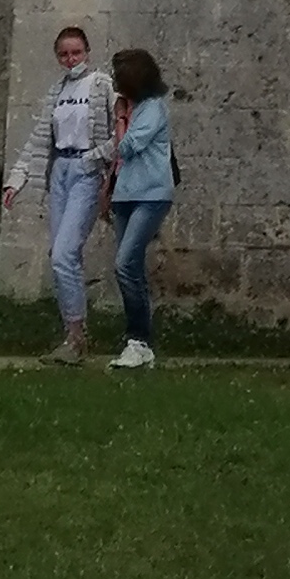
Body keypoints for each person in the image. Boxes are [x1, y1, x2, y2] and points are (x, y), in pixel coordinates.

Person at [3, 20, 114, 365]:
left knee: (64, 255)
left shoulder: (102, 85)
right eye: (64, 54)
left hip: (86, 172)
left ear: (87, 52)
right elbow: (39, 138)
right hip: (60, 172)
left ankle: (76, 339)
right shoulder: (57, 91)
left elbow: (120, 133)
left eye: (76, 52)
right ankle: (74, 334)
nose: (71, 60)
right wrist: (17, 178)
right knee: (62, 256)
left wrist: (94, 160)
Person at [104, 46, 175, 374]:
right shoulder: (133, 108)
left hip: (151, 194)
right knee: (131, 268)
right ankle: (140, 343)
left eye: (119, 77)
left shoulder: (152, 108)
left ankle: (138, 340)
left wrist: (121, 119)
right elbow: (117, 159)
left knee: (124, 263)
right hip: (125, 194)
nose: (115, 82)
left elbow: (129, 147)